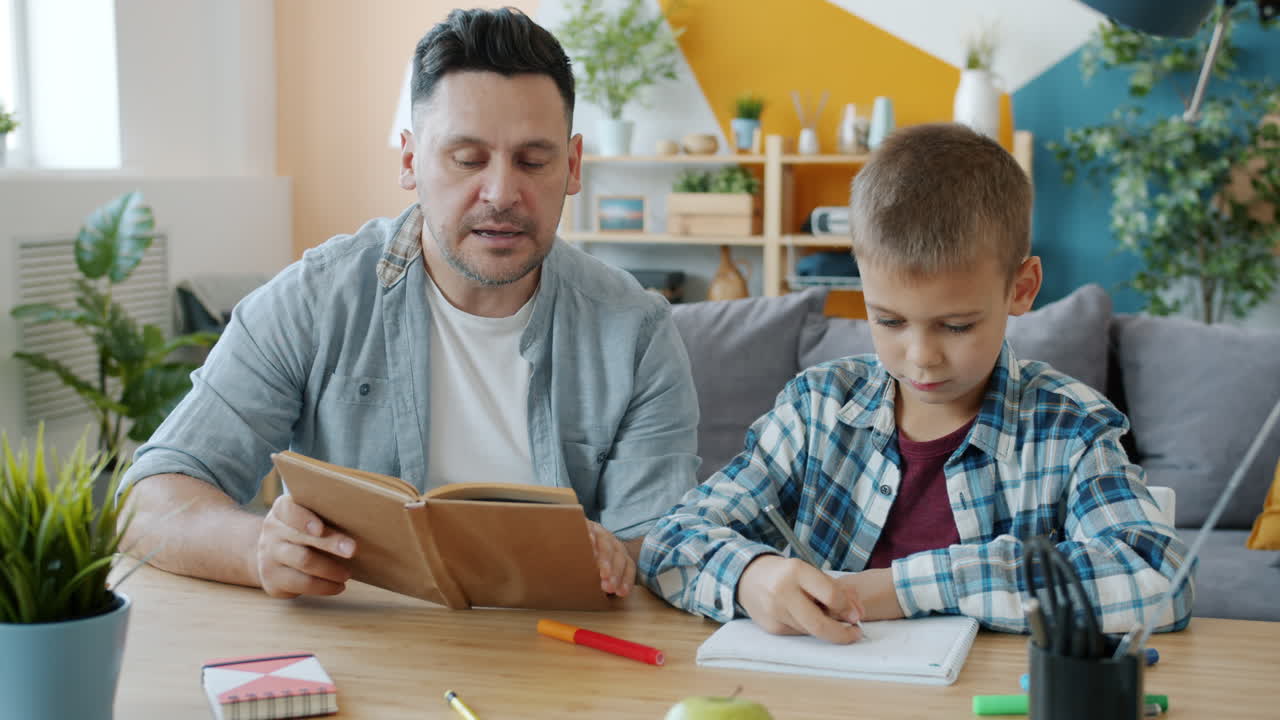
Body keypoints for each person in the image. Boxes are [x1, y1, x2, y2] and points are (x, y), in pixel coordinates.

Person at [120, 8, 699, 602]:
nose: (501, 193)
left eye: (532, 160)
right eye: (468, 159)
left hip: (565, 659)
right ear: (409, 161)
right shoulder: (314, 300)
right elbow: (149, 498)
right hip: (365, 657)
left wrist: (618, 555)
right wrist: (257, 548)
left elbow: (663, 545)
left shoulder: (637, 331)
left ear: (572, 166)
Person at [638, 123, 1193, 644]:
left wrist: (900, 589)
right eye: (889, 320)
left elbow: (1157, 574)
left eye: (956, 325)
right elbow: (669, 541)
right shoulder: (817, 411)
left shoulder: (1069, 427)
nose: (922, 357)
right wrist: (751, 576)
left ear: (1021, 289)